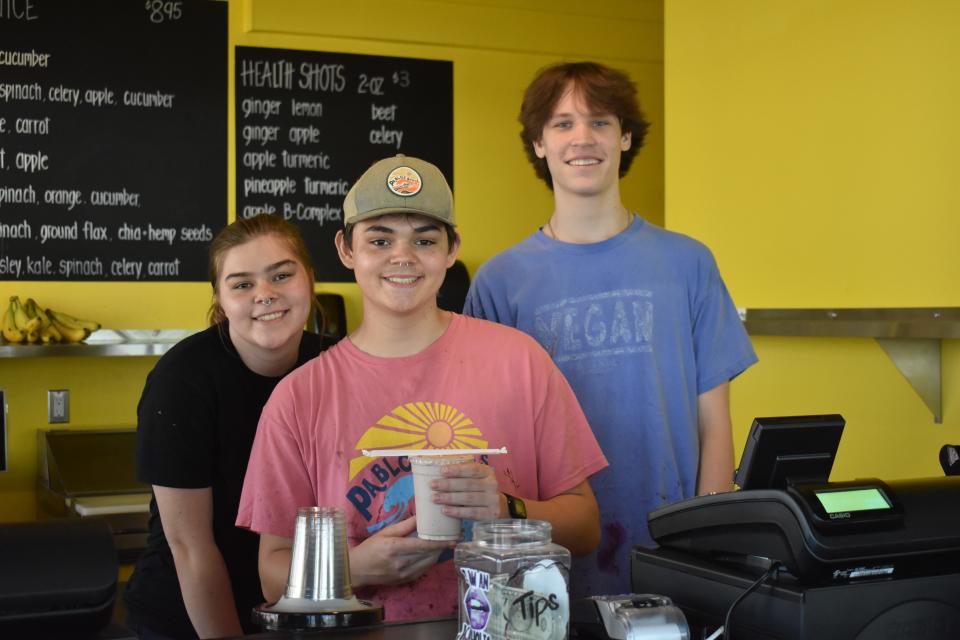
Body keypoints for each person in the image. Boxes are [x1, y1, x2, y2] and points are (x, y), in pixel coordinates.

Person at [236, 155, 608, 621]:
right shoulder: (299, 398)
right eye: (379, 239)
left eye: (425, 240)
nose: (403, 257)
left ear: (451, 250)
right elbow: (272, 573)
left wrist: (506, 510)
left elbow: (586, 526)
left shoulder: (521, 361)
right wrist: (356, 566)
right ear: (346, 249)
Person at [463, 62, 758, 597]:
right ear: (538, 143)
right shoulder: (499, 283)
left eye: (600, 122)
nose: (583, 138)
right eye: (562, 123)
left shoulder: (688, 263)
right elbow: (491, 444)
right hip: (544, 572)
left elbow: (714, 421)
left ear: (625, 137)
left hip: (673, 559)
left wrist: (709, 549)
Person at [124, 214, 327, 639]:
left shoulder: (336, 366)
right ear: (220, 299)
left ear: (309, 278)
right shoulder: (181, 380)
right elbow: (189, 546)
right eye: (242, 284)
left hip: (302, 610)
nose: (265, 295)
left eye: (281, 275)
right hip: (190, 615)